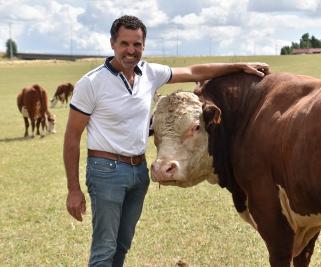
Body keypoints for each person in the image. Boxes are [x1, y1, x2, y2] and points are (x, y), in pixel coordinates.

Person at [63, 15, 269, 267]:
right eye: (125, 44)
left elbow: (194, 72)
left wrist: (239, 66)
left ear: (143, 46)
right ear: (112, 44)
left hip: (138, 171)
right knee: (104, 247)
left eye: (137, 44)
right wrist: (73, 188)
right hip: (106, 171)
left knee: (123, 242)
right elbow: (72, 137)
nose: (131, 50)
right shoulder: (91, 83)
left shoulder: (149, 73)